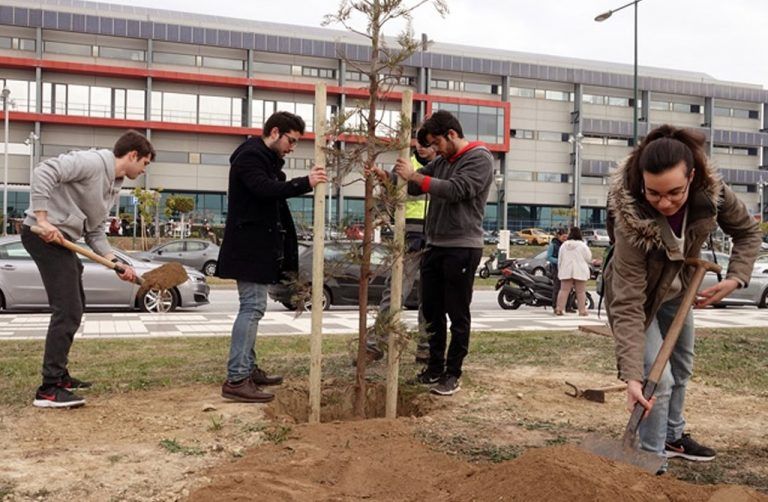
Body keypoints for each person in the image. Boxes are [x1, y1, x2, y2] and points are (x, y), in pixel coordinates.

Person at [603, 124, 761, 473]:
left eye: (675, 192)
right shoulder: (630, 216)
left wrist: (736, 277)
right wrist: (632, 376)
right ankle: (651, 459)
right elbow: (627, 303)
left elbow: (747, 232)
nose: (664, 203)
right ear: (641, 183)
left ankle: (673, 436)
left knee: (681, 365)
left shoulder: (712, 193)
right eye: (654, 193)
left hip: (678, 289)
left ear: (691, 177)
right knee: (656, 379)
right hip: (638, 298)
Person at [22, 130, 155, 408]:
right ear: (133, 155)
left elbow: (94, 231)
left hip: (64, 241)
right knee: (67, 309)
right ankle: (49, 389)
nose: (144, 170)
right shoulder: (93, 162)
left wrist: (115, 262)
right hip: (43, 236)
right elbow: (44, 171)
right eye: (145, 163)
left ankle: (60, 376)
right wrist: (43, 219)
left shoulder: (113, 185)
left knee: (76, 305)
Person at [216, 111, 327, 403]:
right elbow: (264, 189)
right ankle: (237, 379)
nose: (293, 148)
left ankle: (247, 369)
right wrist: (305, 182)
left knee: (253, 308)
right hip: (249, 249)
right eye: (291, 140)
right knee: (252, 308)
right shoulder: (250, 157)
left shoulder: (263, 158)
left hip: (255, 248)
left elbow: (270, 186)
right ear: (275, 132)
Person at [393, 110, 493, 396]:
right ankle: (434, 368)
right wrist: (390, 176)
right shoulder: (442, 161)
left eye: (437, 143)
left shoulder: (479, 158)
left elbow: (456, 189)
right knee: (432, 311)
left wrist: (414, 175)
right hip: (434, 245)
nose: (434, 150)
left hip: (462, 247)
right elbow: (415, 186)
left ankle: (452, 373)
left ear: (451, 134)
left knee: (457, 313)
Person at [368, 143, 436, 363]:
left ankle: (425, 348)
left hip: (435, 235)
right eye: (420, 142)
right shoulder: (407, 163)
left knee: (430, 296)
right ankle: (375, 343)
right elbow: (392, 191)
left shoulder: (442, 165)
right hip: (409, 235)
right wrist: (384, 179)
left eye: (428, 142)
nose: (423, 147)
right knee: (396, 290)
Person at [555, 226, 591, 316]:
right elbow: (588, 258)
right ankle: (582, 310)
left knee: (563, 290)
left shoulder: (564, 245)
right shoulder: (582, 245)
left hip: (566, 270)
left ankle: (559, 308)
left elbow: (560, 259)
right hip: (580, 270)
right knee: (581, 292)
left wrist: (560, 269)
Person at [546, 229, 567, 311]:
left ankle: (567, 306)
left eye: (566, 237)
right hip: (556, 268)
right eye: (563, 236)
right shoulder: (553, 245)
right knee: (557, 287)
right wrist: (558, 261)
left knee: (567, 287)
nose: (565, 238)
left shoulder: (566, 245)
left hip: (565, 268)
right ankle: (555, 305)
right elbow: (548, 257)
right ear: (558, 236)